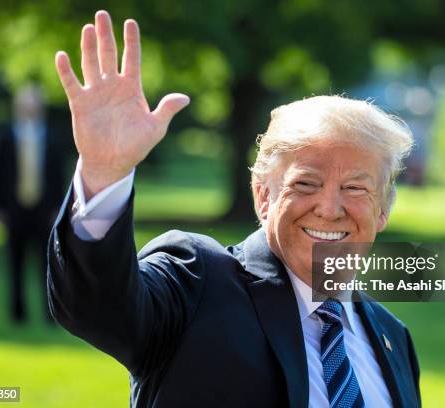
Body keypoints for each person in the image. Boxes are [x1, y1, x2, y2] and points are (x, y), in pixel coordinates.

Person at [48, 10, 420, 408]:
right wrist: (105, 174)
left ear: (382, 210)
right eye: (305, 184)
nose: (329, 208)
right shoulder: (197, 283)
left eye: (354, 188)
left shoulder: (391, 337)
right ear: (262, 195)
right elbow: (99, 307)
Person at [0, 83, 64, 323]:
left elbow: (60, 175)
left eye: (34, 104)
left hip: (44, 211)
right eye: (26, 104)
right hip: (14, 210)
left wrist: (58, 208)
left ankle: (50, 314)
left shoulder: (51, 136)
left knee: (47, 266)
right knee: (15, 264)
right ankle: (17, 314)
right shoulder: (5, 135)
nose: (30, 109)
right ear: (18, 106)